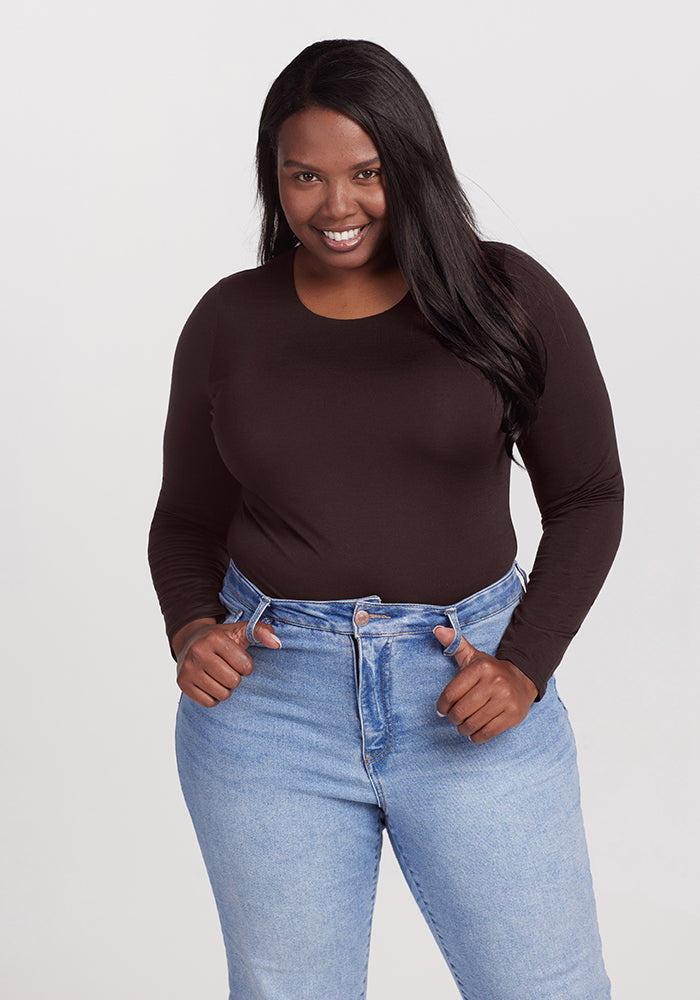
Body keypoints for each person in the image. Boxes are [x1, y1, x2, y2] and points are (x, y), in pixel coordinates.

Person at [148, 38, 623, 1000]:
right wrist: (192, 627)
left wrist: (526, 665)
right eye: (304, 177)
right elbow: (185, 521)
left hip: (471, 695)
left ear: (411, 166)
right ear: (273, 181)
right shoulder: (229, 321)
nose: (337, 206)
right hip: (270, 712)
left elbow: (589, 498)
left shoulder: (505, 296)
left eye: (367, 174)